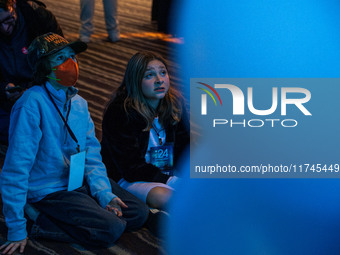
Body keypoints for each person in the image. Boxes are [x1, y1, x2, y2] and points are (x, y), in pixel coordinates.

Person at [0, 33, 149, 255]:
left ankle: (88, 210)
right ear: (43, 69)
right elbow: (15, 168)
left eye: (72, 56)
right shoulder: (31, 104)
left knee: (138, 213)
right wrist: (16, 227)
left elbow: (91, 156)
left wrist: (104, 194)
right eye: (60, 58)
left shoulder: (79, 104)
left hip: (77, 180)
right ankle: (37, 217)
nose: (71, 63)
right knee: (111, 228)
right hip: (48, 190)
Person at [101, 51, 189, 210]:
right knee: (170, 198)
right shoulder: (120, 112)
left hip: (166, 170)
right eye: (149, 75)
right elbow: (130, 168)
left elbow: (184, 147)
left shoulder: (175, 103)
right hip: (130, 177)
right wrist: (170, 181)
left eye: (163, 73)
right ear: (136, 81)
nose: (159, 80)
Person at [0, 0, 63, 151]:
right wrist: (3, 88)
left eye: (8, 19)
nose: (4, 28)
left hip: (40, 91)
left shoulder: (38, 19)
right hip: (7, 97)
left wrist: (32, 90)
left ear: (14, 4)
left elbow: (62, 64)